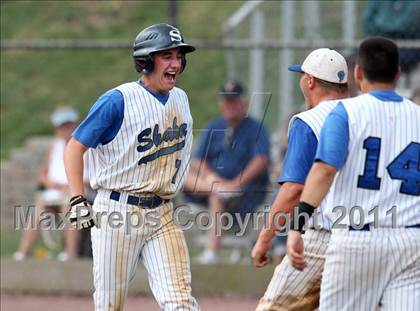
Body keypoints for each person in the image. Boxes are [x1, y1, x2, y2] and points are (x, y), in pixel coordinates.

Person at [64, 24, 199, 310]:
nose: (175, 63)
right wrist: (77, 198)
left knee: (180, 301)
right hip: (117, 210)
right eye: (166, 56)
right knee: (110, 304)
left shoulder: (181, 99)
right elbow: (74, 148)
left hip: (162, 211)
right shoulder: (117, 101)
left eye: (179, 56)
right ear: (146, 61)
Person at [288, 37, 420, 310]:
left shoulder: (345, 112)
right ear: (397, 73)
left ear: (357, 73)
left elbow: (324, 171)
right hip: (411, 242)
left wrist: (297, 225)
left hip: (357, 240)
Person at [252, 48, 349, 310]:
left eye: (302, 76)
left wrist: (265, 239)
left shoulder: (309, 120)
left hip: (323, 238)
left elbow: (294, 190)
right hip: (373, 235)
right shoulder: (366, 114)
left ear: (310, 81)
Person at [183, 80, 270, 264]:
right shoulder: (214, 125)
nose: (230, 106)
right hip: (214, 185)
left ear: (243, 103)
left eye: (234, 101)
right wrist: (214, 179)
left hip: (245, 192)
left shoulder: (255, 128)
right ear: (221, 104)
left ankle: (212, 253)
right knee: (181, 176)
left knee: (217, 197)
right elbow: (198, 160)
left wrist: (236, 183)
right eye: (226, 101)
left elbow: (261, 160)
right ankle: (219, 189)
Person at [13, 106, 82, 261]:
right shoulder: (54, 146)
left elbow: (93, 178)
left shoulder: (85, 146)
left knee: (69, 206)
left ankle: (70, 253)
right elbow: (42, 174)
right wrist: (50, 183)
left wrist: (70, 186)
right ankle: (23, 253)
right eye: (61, 126)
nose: (64, 130)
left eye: (67, 125)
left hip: (77, 192)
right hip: (55, 193)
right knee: (38, 210)